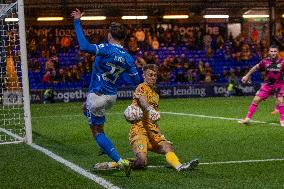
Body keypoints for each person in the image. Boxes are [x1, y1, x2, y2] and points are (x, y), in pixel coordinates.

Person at [71, 9, 140, 177]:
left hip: (97, 95)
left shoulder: (106, 48)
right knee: (85, 109)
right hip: (111, 97)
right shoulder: (128, 57)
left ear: (110, 36)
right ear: (124, 39)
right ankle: (105, 146)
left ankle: (119, 160)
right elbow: (135, 82)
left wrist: (77, 21)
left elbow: (84, 46)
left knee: (97, 132)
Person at [94, 64, 199, 171]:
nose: (153, 77)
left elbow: (151, 116)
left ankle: (179, 166)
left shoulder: (155, 94)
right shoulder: (141, 87)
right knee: (141, 162)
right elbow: (142, 100)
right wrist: (150, 109)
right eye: (150, 75)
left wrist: (157, 129)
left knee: (168, 147)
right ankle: (115, 164)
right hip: (139, 131)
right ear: (144, 76)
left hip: (152, 132)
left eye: (155, 75)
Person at [238, 45, 284, 126]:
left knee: (280, 101)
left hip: (278, 85)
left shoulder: (282, 61)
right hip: (267, 85)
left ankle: (282, 121)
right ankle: (248, 119)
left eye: (275, 51)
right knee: (256, 100)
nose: (273, 53)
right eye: (271, 51)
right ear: (269, 52)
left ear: (277, 52)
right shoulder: (265, 61)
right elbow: (255, 68)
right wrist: (247, 75)